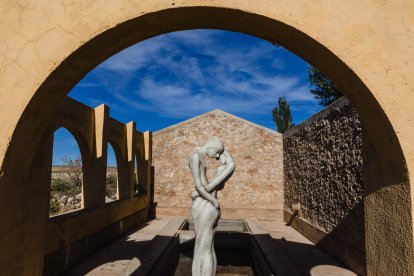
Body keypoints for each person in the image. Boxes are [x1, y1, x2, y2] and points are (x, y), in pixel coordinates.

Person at [189, 138, 235, 276]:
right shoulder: (197, 157)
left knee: (200, 249)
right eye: (217, 152)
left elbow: (200, 186)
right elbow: (203, 186)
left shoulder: (195, 156)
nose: (217, 156)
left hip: (204, 204)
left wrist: (210, 200)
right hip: (210, 205)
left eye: (220, 154)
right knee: (208, 247)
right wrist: (212, 201)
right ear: (211, 145)